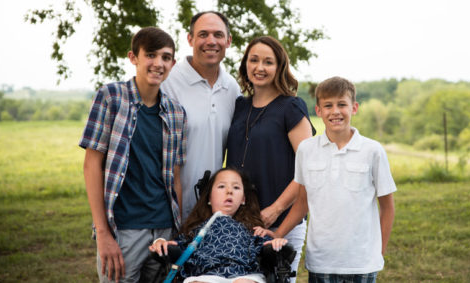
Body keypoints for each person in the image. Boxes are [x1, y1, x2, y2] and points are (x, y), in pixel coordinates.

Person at [258, 76, 396, 283]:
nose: (335, 111)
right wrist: (278, 234)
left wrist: (379, 251)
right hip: (321, 261)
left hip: (361, 262)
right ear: (318, 110)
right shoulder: (307, 150)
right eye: (328, 106)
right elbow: (302, 203)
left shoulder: (373, 151)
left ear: (354, 107)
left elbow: (387, 207)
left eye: (342, 104)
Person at [80, 27, 186, 283]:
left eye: (166, 57)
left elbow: (175, 177)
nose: (158, 63)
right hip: (123, 229)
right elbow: (91, 165)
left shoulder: (176, 112)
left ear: (173, 62)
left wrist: (176, 234)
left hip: (163, 228)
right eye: (151, 55)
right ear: (133, 57)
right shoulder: (111, 98)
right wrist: (103, 233)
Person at [225, 36, 314, 282]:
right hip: (241, 222)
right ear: (245, 65)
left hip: (281, 221)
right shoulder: (239, 106)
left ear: (279, 67)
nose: (260, 67)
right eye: (253, 60)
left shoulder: (291, 107)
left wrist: (275, 210)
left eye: (268, 62)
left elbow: (310, 168)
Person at [161, 11, 241, 221]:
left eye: (218, 35)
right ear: (190, 39)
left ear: (228, 41)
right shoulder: (168, 81)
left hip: (212, 210)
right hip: (165, 207)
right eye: (203, 34)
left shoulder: (232, 88)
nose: (211, 41)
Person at [150, 168, 288, 283]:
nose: (229, 191)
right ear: (209, 198)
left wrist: (276, 242)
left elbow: (265, 246)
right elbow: (178, 245)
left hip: (243, 275)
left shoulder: (250, 229)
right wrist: (160, 241)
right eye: (222, 186)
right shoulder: (197, 230)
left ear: (243, 199)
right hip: (204, 275)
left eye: (236, 187)